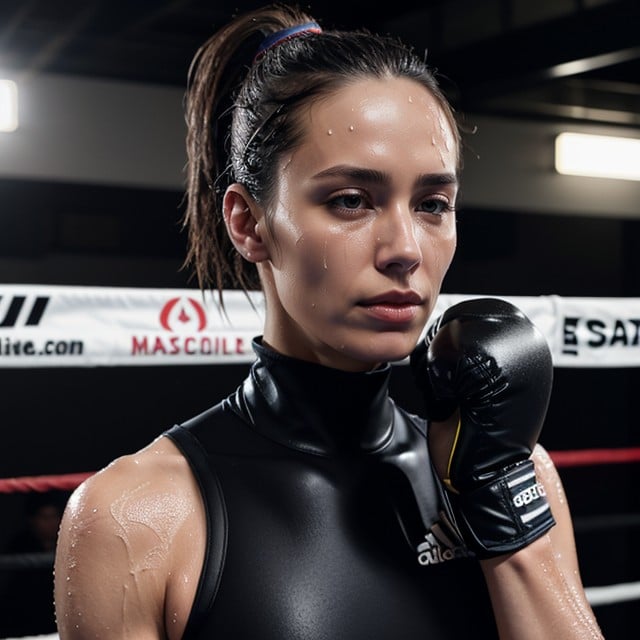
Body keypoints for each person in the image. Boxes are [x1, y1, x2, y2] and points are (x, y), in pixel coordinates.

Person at [54, 3, 603, 639]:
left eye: (432, 203)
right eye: (350, 200)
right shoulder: (138, 515)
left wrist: (504, 508)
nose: (404, 247)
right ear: (248, 222)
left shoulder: (517, 473)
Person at [0, 491, 66, 637]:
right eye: (44, 517)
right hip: (26, 615)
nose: (50, 523)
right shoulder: (19, 545)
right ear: (32, 520)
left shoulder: (68, 544)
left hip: (59, 613)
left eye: (54, 516)